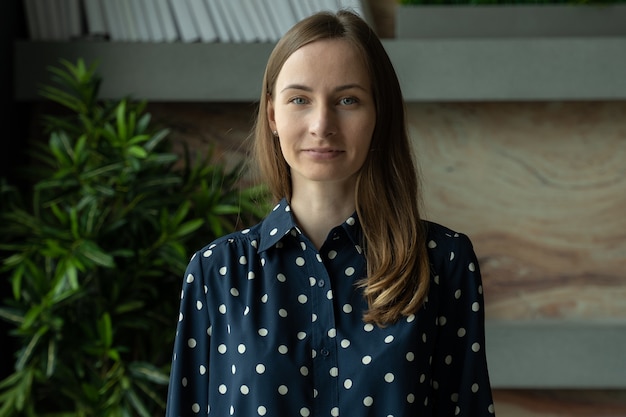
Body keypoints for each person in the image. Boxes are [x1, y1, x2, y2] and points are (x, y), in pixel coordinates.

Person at [165, 9, 495, 417]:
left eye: (347, 100)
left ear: (379, 113)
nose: (322, 124)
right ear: (272, 115)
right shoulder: (216, 272)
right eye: (300, 99)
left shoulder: (443, 261)